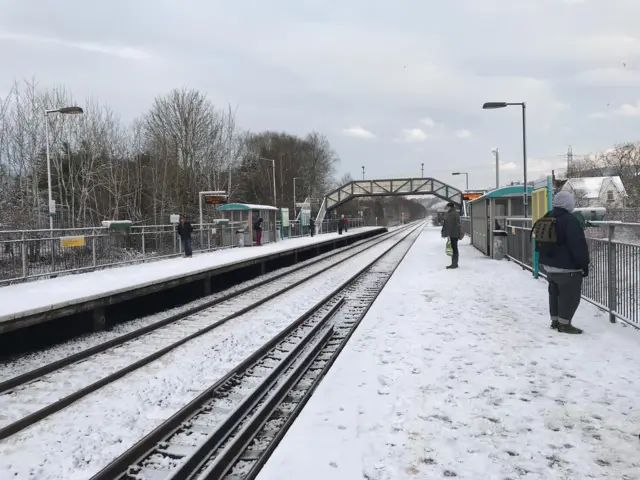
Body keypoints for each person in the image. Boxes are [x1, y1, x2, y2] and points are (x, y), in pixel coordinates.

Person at [534, 191, 589, 334]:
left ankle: (555, 321)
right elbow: (578, 245)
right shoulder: (569, 220)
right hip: (567, 268)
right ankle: (565, 324)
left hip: (549, 266)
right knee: (569, 296)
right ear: (568, 204)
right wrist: (584, 264)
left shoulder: (548, 216)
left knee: (554, 293)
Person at [441, 202, 460, 269]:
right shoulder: (453, 213)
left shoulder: (452, 214)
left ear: (450, 207)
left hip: (453, 234)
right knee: (454, 248)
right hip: (454, 233)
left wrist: (447, 234)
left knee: (454, 249)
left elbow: (449, 225)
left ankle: (454, 264)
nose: (447, 208)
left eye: (447, 207)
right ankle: (454, 263)